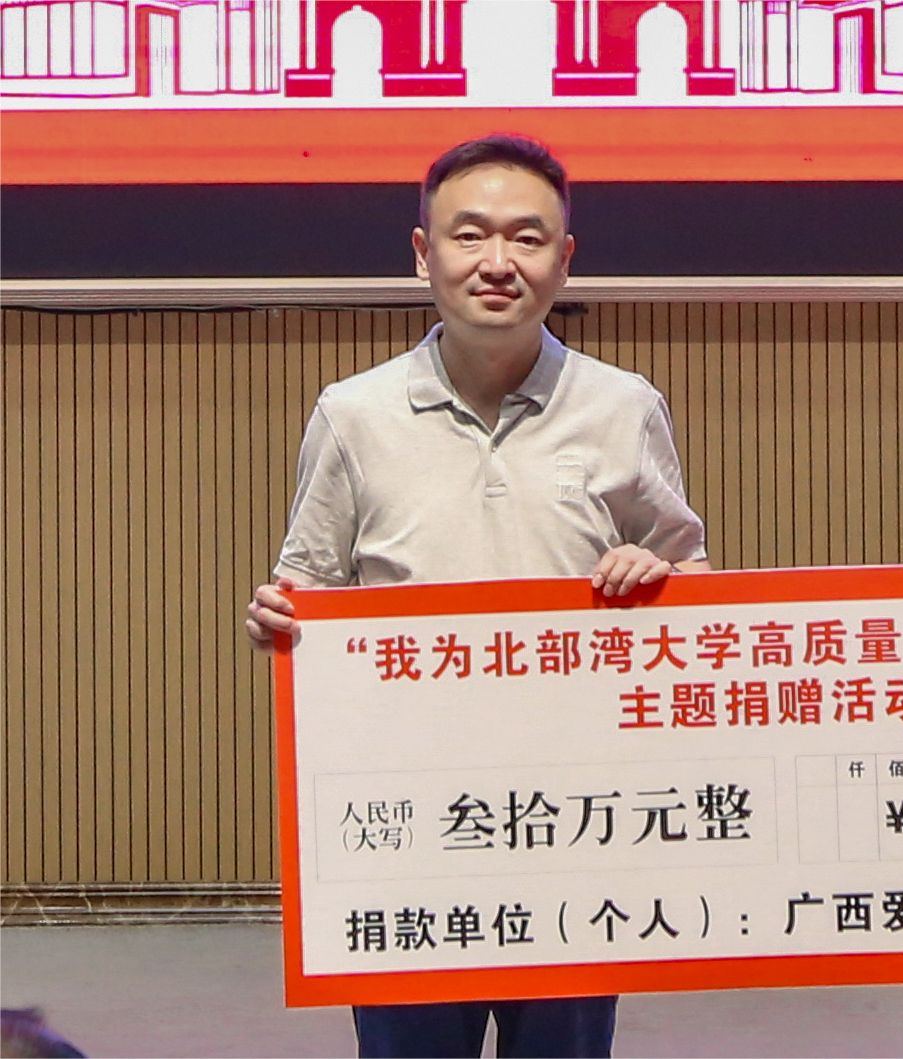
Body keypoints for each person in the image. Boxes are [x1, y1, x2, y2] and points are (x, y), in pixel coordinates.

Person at [243, 134, 710, 1058]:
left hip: (578, 823)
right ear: (424, 254)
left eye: (527, 238)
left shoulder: (623, 406)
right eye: (469, 235)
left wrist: (655, 578)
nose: (498, 261)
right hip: (406, 828)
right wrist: (280, 620)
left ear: (564, 260)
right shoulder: (354, 413)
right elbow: (308, 592)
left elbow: (689, 577)